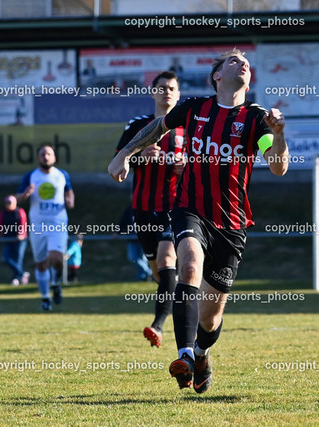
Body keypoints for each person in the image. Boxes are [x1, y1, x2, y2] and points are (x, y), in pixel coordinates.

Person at [108, 48, 289, 394]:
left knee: (212, 316)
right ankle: (186, 355)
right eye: (233, 60)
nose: (243, 63)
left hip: (232, 224)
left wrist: (278, 134)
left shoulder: (256, 118)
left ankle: (203, 352)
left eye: (246, 62)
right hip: (190, 209)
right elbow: (158, 128)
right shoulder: (195, 109)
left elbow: (278, 166)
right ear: (217, 76)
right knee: (187, 268)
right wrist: (124, 154)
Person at [114, 70, 184, 348]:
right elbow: (117, 163)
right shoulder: (138, 125)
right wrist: (137, 156)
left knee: (168, 263)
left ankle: (158, 326)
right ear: (153, 92)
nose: (166, 92)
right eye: (162, 87)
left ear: (178, 95)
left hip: (175, 208)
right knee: (160, 274)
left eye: (172, 88)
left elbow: (205, 168)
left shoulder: (189, 128)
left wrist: (188, 167)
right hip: (142, 210)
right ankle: (182, 303)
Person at [17, 143, 74, 311]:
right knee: (41, 264)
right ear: (38, 157)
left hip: (58, 223)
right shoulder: (31, 176)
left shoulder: (62, 175)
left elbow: (69, 192)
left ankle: (55, 284)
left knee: (57, 259)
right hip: (38, 226)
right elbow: (17, 199)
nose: (46, 157)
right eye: (42, 154)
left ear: (54, 157)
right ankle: (45, 298)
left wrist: (70, 200)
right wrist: (25, 194)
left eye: (49, 154)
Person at [0, 195, 30, 286]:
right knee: (7, 258)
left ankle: (16, 279)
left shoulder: (19, 212)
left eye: (10, 203)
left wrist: (21, 234)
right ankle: (22, 274)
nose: (8, 205)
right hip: (8, 239)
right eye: (6, 203)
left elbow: (23, 224)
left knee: (18, 259)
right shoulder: (3, 213)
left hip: (20, 240)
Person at [118, 205, 153, 281]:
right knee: (133, 258)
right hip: (132, 239)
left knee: (144, 258)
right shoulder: (129, 209)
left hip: (144, 239)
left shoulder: (148, 209)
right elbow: (123, 221)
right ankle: (148, 272)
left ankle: (142, 277)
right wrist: (117, 232)